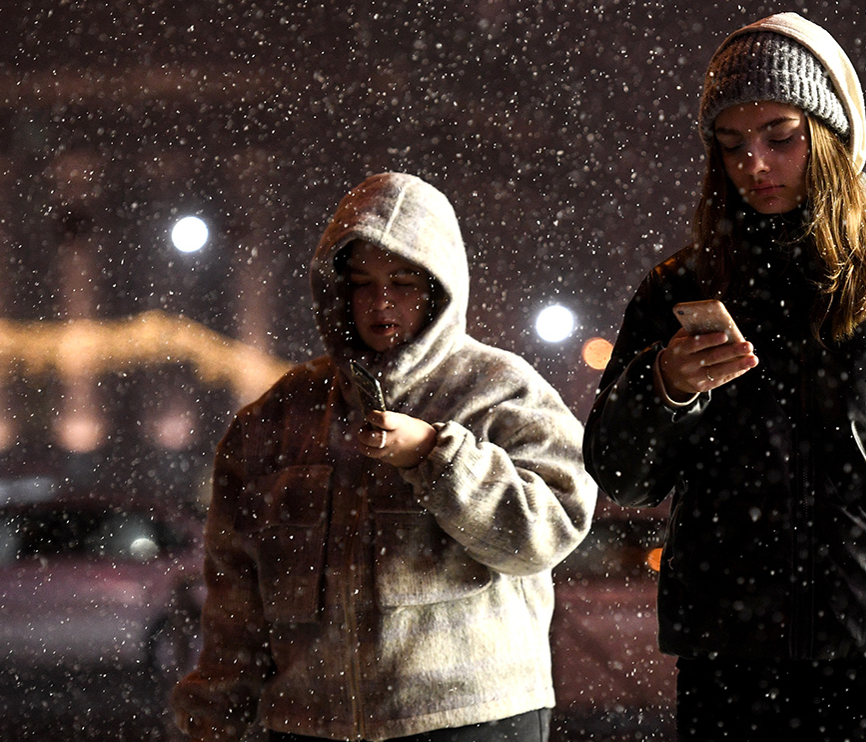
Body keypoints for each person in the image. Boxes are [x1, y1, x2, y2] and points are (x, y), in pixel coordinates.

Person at [583, 13, 866, 742]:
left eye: (779, 136)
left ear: (831, 137)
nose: (753, 164)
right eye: (730, 145)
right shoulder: (679, 288)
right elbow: (620, 476)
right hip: (730, 670)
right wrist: (664, 387)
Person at [173, 172, 597, 742]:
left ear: (440, 288)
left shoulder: (501, 392)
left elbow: (550, 529)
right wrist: (217, 712)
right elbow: (236, 591)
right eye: (362, 282)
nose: (381, 302)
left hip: (473, 719)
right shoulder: (277, 418)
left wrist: (436, 456)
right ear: (336, 289)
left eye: (403, 281)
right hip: (309, 724)